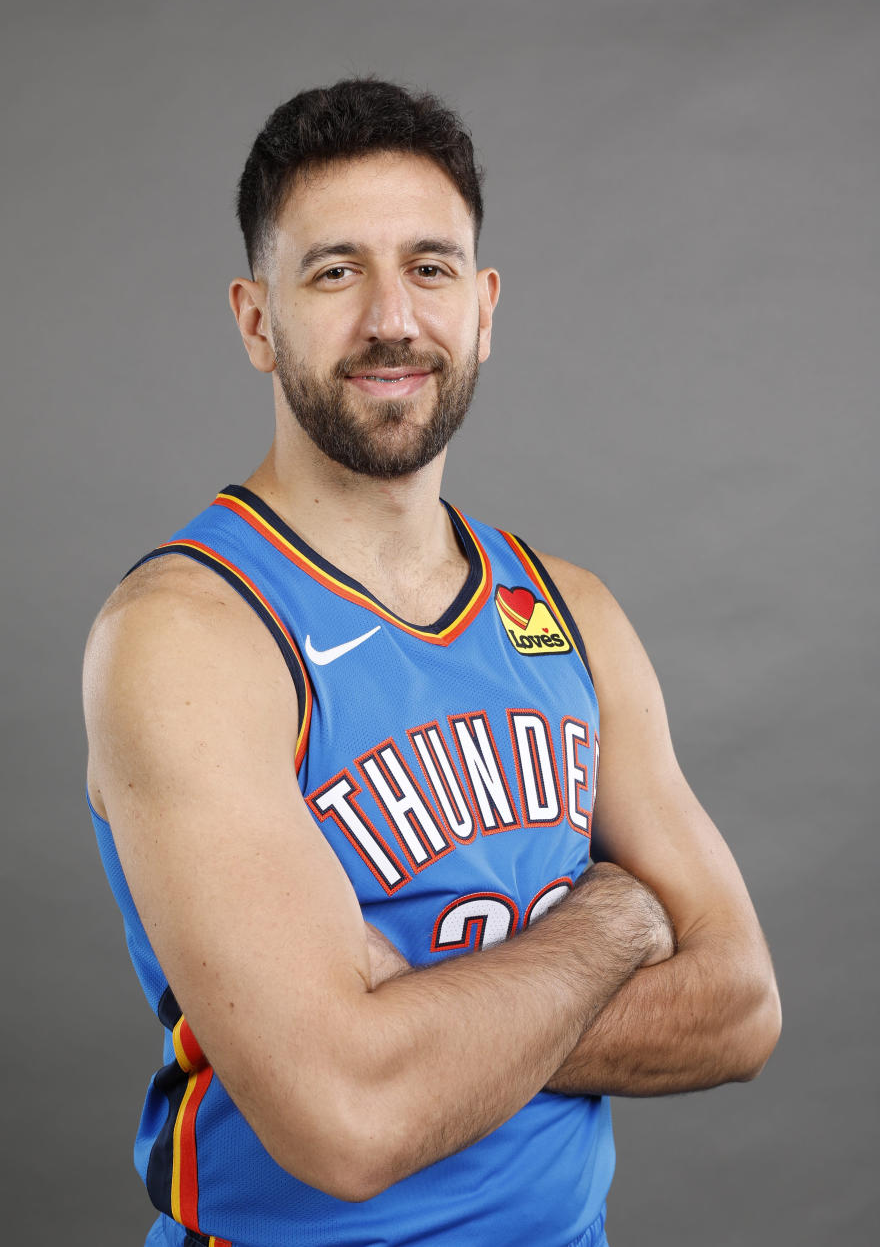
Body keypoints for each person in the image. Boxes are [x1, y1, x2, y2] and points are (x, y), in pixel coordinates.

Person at [83, 78, 781, 1247]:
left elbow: (742, 1008)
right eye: (336, 270)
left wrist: (405, 1011)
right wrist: (613, 923)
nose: (392, 320)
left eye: (431, 267)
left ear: (485, 306)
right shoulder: (189, 637)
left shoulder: (571, 612)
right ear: (258, 319)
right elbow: (346, 1116)